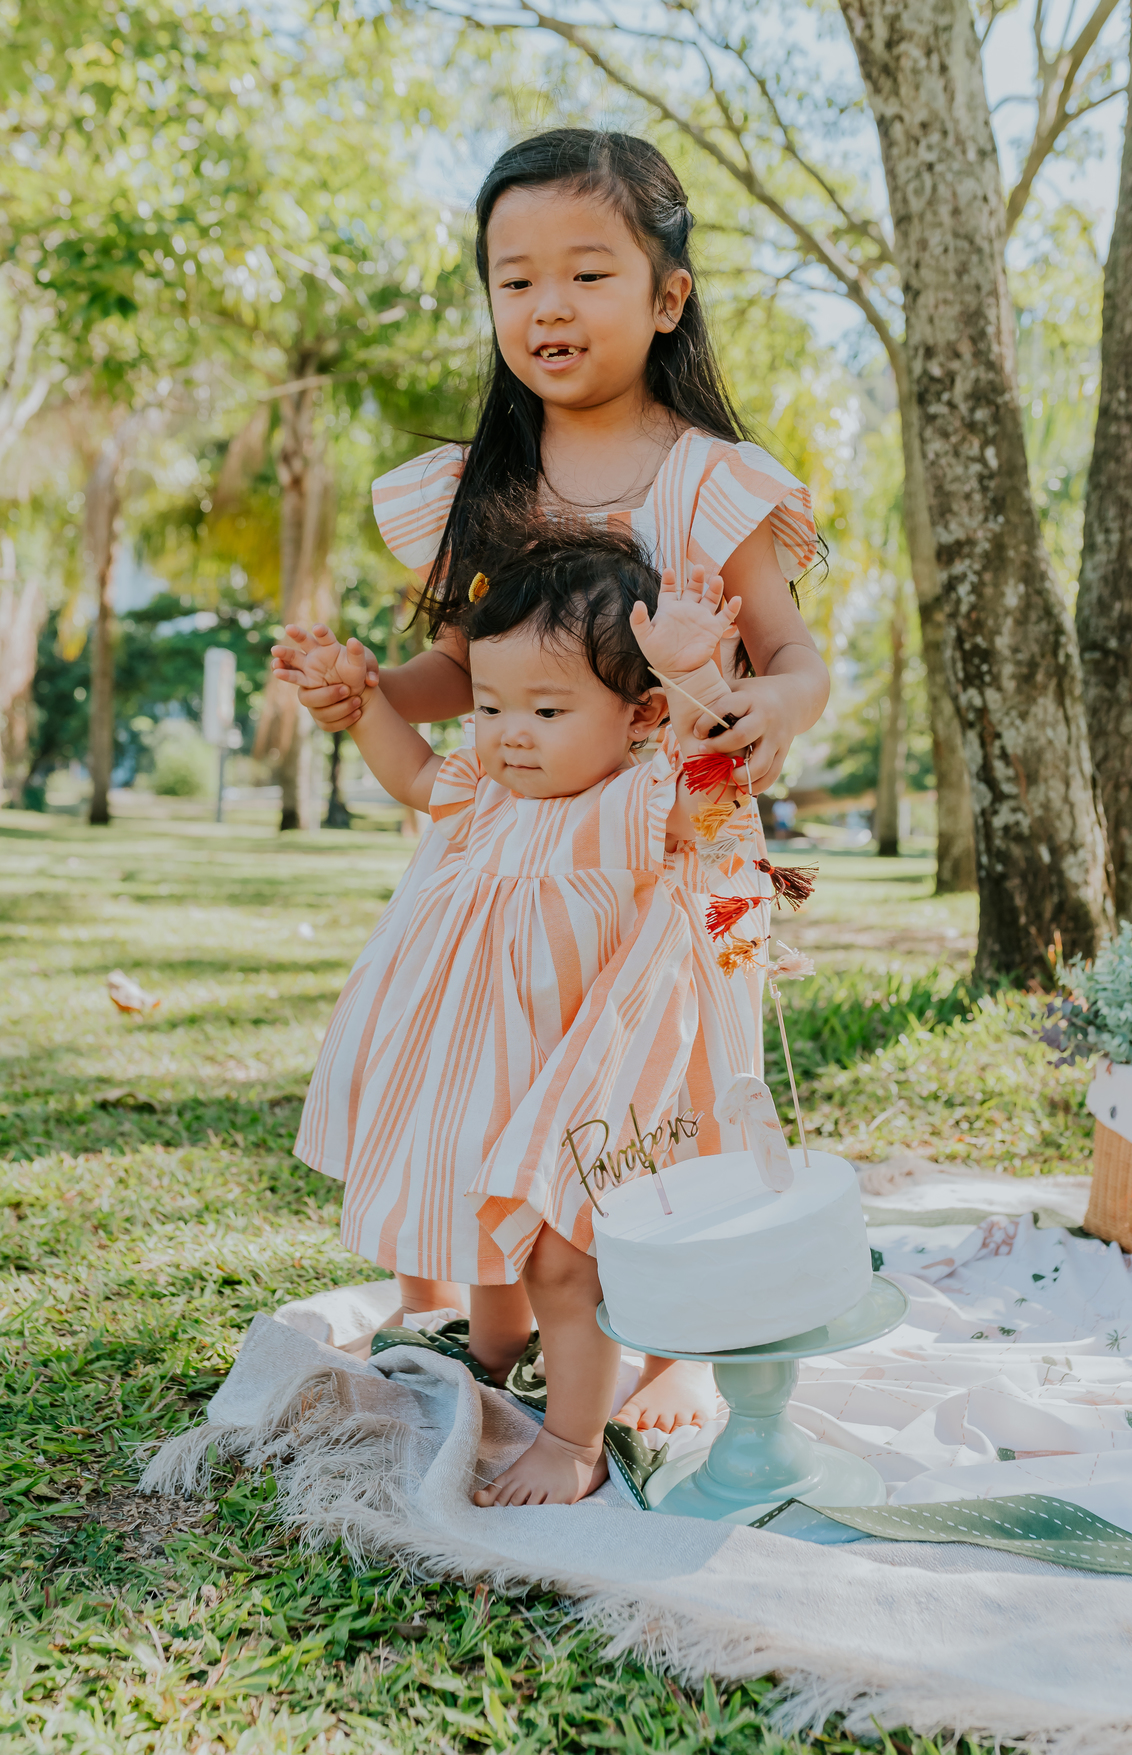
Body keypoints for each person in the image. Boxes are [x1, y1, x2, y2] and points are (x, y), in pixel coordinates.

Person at [273, 126, 830, 1430]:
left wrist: (776, 702)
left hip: (669, 862)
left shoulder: (710, 485)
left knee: (662, 1099)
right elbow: (449, 675)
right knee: (491, 1074)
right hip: (503, 864)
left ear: (667, 296)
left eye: (586, 272)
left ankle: (671, 1331)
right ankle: (501, 1308)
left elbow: (797, 652)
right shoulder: (486, 486)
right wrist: (366, 689)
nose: (547, 306)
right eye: (514, 278)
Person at [287, 519, 751, 1504]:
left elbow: (721, 803)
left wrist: (701, 685)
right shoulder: (487, 793)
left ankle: (575, 1438)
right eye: (490, 705)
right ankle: (495, 1349)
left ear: (638, 716)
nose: (508, 732)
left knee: (557, 1248)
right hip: (483, 1061)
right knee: (473, 1196)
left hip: (585, 1067)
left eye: (545, 707)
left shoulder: (633, 802)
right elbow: (411, 769)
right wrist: (362, 695)